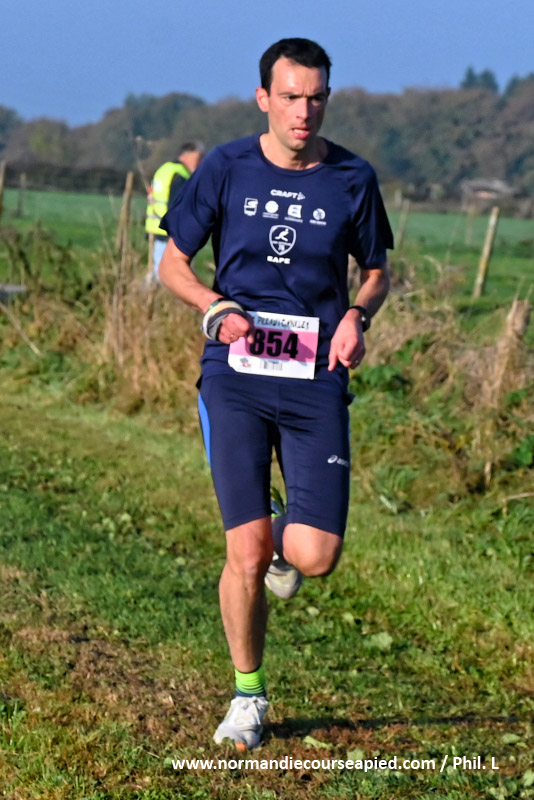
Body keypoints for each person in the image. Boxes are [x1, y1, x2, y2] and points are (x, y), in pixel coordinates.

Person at [159, 37, 393, 750]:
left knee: (314, 556)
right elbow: (173, 264)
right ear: (264, 97)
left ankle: (284, 538)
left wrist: (357, 316)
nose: (303, 111)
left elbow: (376, 271)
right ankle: (248, 696)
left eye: (315, 98)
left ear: (327, 100)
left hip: (315, 376)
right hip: (235, 372)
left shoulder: (352, 177)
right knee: (248, 549)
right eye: (290, 97)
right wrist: (214, 306)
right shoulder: (226, 166)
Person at [145, 141, 204, 282]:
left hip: (157, 228)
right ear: (185, 156)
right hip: (170, 231)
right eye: (198, 158)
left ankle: (150, 291)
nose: (200, 162)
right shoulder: (180, 175)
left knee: (158, 269)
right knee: (171, 275)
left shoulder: (165, 170)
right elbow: (177, 207)